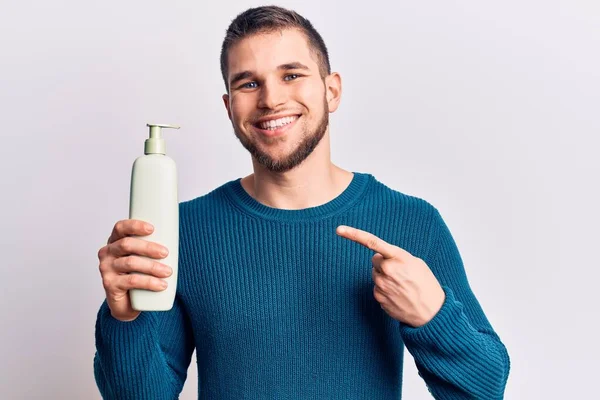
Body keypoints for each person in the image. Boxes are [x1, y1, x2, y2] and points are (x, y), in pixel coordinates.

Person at [93, 5, 510, 399]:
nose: (271, 99)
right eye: (249, 83)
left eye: (291, 75)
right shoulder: (184, 231)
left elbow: (485, 389)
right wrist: (124, 319)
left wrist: (432, 317)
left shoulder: (410, 222)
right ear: (229, 107)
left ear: (332, 91)